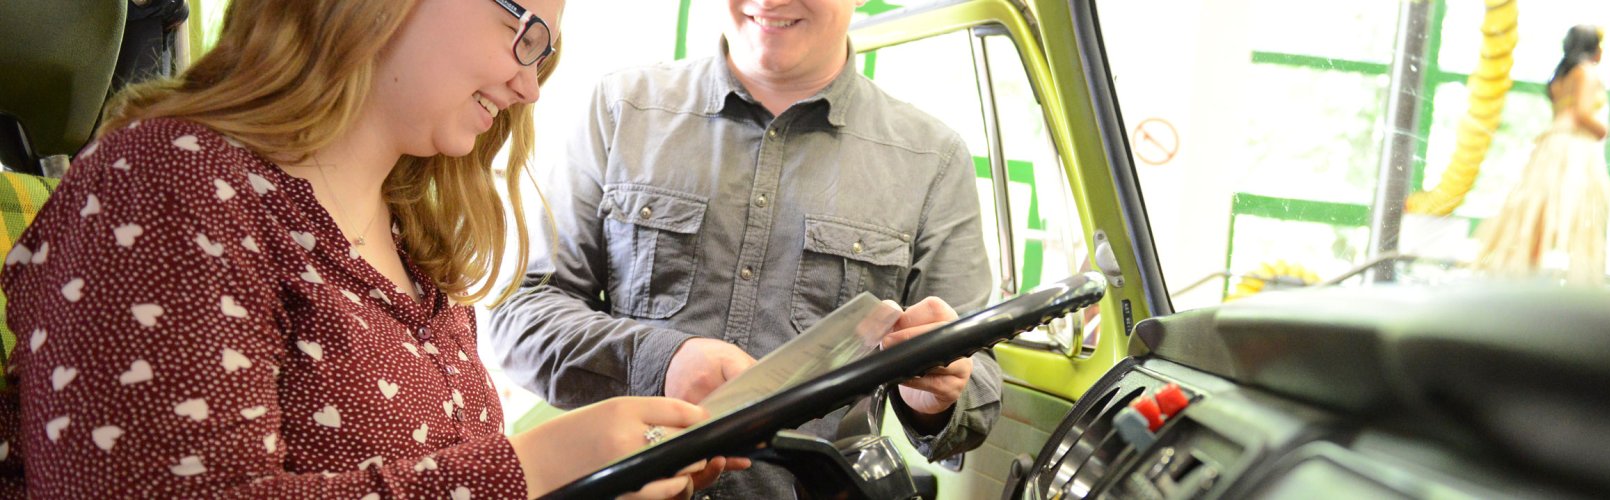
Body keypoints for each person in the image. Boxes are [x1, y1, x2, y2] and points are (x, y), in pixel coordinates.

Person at [0, 0, 745, 497]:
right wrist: (533, 469)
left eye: (545, 54)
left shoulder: (413, 246)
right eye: (526, 32)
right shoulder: (167, 182)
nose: (530, 84)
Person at [487, 0, 1000, 496]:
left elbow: (981, 388)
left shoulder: (932, 160)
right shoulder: (621, 110)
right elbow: (521, 315)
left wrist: (931, 394)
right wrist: (662, 361)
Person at [1478, 24, 1610, 284]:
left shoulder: (1560, 77)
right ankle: (1567, 283)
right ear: (1593, 47)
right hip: (1574, 149)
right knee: (1575, 218)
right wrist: (1603, 129)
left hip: (1551, 146)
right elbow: (1582, 113)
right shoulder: (1586, 72)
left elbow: (1563, 113)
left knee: (1536, 215)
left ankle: (1526, 274)